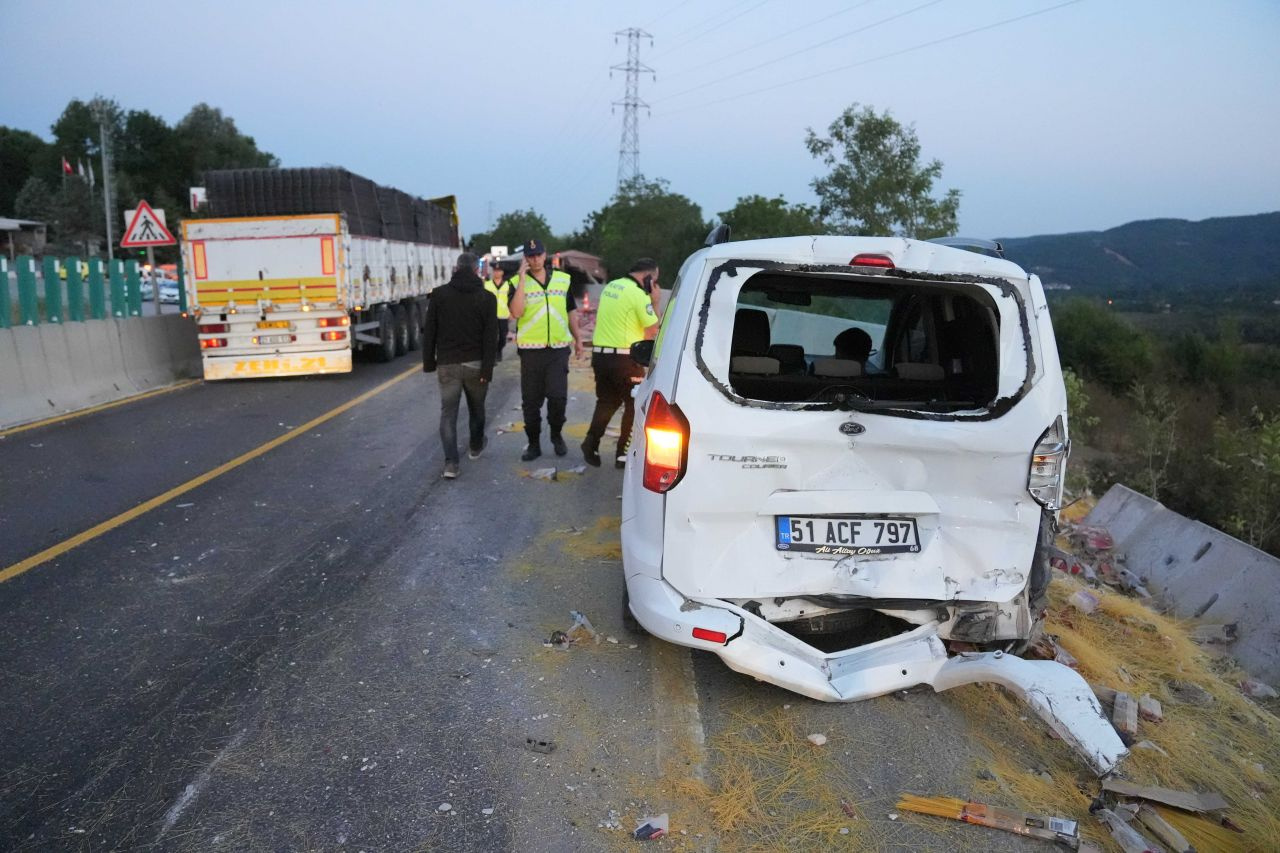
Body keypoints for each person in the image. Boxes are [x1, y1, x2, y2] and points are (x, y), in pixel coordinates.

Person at [421, 252, 498, 480]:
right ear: (476, 270)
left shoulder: (439, 295)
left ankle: (451, 464)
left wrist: (429, 363)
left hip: (447, 364)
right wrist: (487, 369)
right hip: (476, 365)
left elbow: (430, 332)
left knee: (448, 415)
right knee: (477, 409)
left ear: (456, 268)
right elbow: (490, 337)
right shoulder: (487, 298)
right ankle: (475, 446)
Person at [508, 238, 584, 461]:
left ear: (545, 255)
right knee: (531, 402)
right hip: (531, 352)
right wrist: (522, 279)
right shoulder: (515, 282)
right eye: (530, 256)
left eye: (538, 255)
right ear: (525, 259)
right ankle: (533, 443)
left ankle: (556, 435)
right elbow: (516, 312)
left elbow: (571, 311)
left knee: (558, 398)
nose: (535, 260)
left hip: (558, 349)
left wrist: (578, 339)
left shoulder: (562, 280)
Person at [581, 259, 660, 468]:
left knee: (607, 401)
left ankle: (591, 443)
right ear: (649, 278)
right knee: (635, 405)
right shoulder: (638, 295)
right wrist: (655, 301)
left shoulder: (611, 287)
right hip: (625, 359)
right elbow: (653, 329)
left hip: (601, 356)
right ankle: (622, 454)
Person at [482, 265, 511, 361]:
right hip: (490, 315)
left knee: (503, 337)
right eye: (495, 271)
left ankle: (499, 350)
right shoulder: (487, 285)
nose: (497, 273)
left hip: (503, 315)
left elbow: (510, 300)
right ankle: (493, 355)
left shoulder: (507, 285)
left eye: (499, 271)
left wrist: (511, 312)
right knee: (491, 337)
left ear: (502, 272)